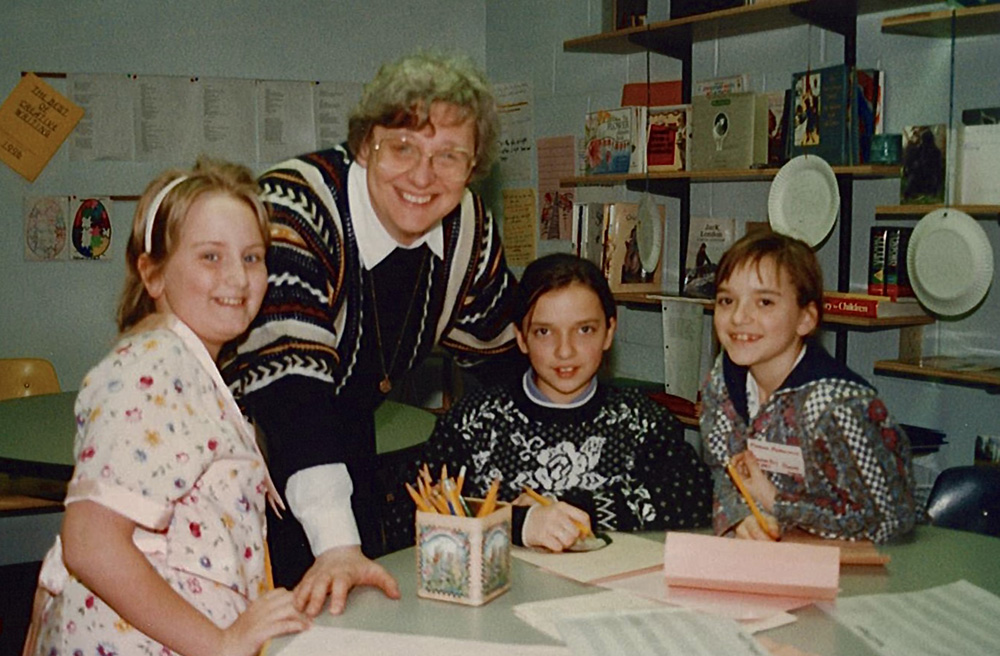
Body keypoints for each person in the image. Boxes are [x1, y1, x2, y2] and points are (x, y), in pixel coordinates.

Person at [221, 50, 523, 616]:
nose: (422, 176)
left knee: (357, 616)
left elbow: (505, 358)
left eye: (449, 156)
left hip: (347, 437)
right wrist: (337, 543)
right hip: (245, 447)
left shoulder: (469, 228)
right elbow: (292, 395)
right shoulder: (294, 206)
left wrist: (559, 473)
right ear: (364, 144)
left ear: (474, 164)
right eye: (403, 147)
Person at [23, 159, 310, 656]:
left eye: (252, 257)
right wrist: (220, 643)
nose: (238, 279)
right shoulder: (151, 369)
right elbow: (91, 542)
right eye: (210, 257)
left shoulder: (186, 363)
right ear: (152, 274)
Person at [386, 253, 712, 553]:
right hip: (499, 604)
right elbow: (405, 513)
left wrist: (571, 507)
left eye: (584, 330)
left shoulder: (644, 421)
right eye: (544, 332)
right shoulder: (473, 421)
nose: (565, 350)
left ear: (609, 332)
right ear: (521, 337)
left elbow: (694, 501)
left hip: (608, 599)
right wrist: (515, 522)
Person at [700, 231, 917, 544]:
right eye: (726, 300)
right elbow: (723, 471)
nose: (738, 317)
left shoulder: (837, 405)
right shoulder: (724, 381)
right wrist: (739, 516)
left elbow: (889, 519)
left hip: (858, 570)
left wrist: (776, 501)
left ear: (805, 318)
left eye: (764, 302)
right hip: (770, 560)